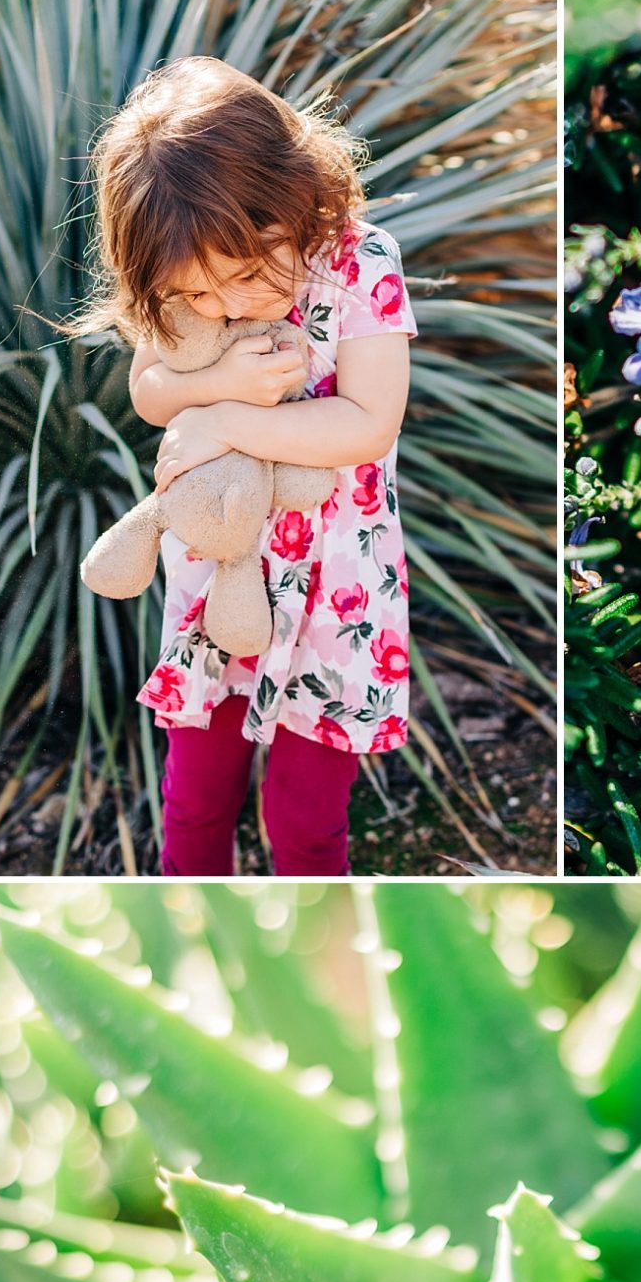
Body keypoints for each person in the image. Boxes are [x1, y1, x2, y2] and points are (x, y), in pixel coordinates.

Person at [78, 55, 416, 875]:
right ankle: (196, 932)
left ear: (296, 198)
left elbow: (368, 424)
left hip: (337, 589)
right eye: (201, 297)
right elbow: (151, 391)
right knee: (195, 800)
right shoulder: (187, 278)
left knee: (303, 820)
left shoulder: (361, 264)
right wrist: (219, 378)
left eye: (237, 280)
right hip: (219, 576)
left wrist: (228, 417)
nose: (224, 307)